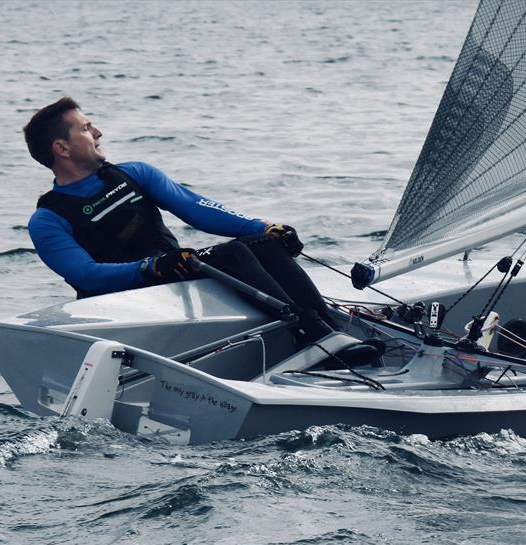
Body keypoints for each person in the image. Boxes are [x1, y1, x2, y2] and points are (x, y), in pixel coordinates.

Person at [23, 96, 381, 365]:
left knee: (261, 245)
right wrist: (151, 267)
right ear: (62, 147)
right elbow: (88, 276)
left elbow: (198, 209)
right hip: (122, 303)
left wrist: (266, 227)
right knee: (235, 254)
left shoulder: (134, 174)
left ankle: (331, 334)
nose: (98, 132)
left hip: (173, 275)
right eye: (86, 128)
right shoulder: (48, 220)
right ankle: (313, 339)